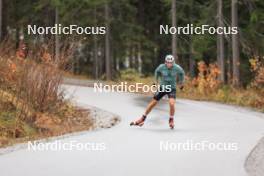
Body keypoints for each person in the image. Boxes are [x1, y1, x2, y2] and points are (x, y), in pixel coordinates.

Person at [130, 54, 185, 129]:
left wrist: (181, 82)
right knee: (153, 103)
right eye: (168, 62)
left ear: (173, 62)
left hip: (172, 88)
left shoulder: (177, 68)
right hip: (162, 87)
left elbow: (182, 73)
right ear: (165, 62)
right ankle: (142, 118)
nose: (169, 64)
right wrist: (155, 81)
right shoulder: (161, 67)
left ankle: (171, 119)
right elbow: (156, 72)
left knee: (172, 103)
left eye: (171, 62)